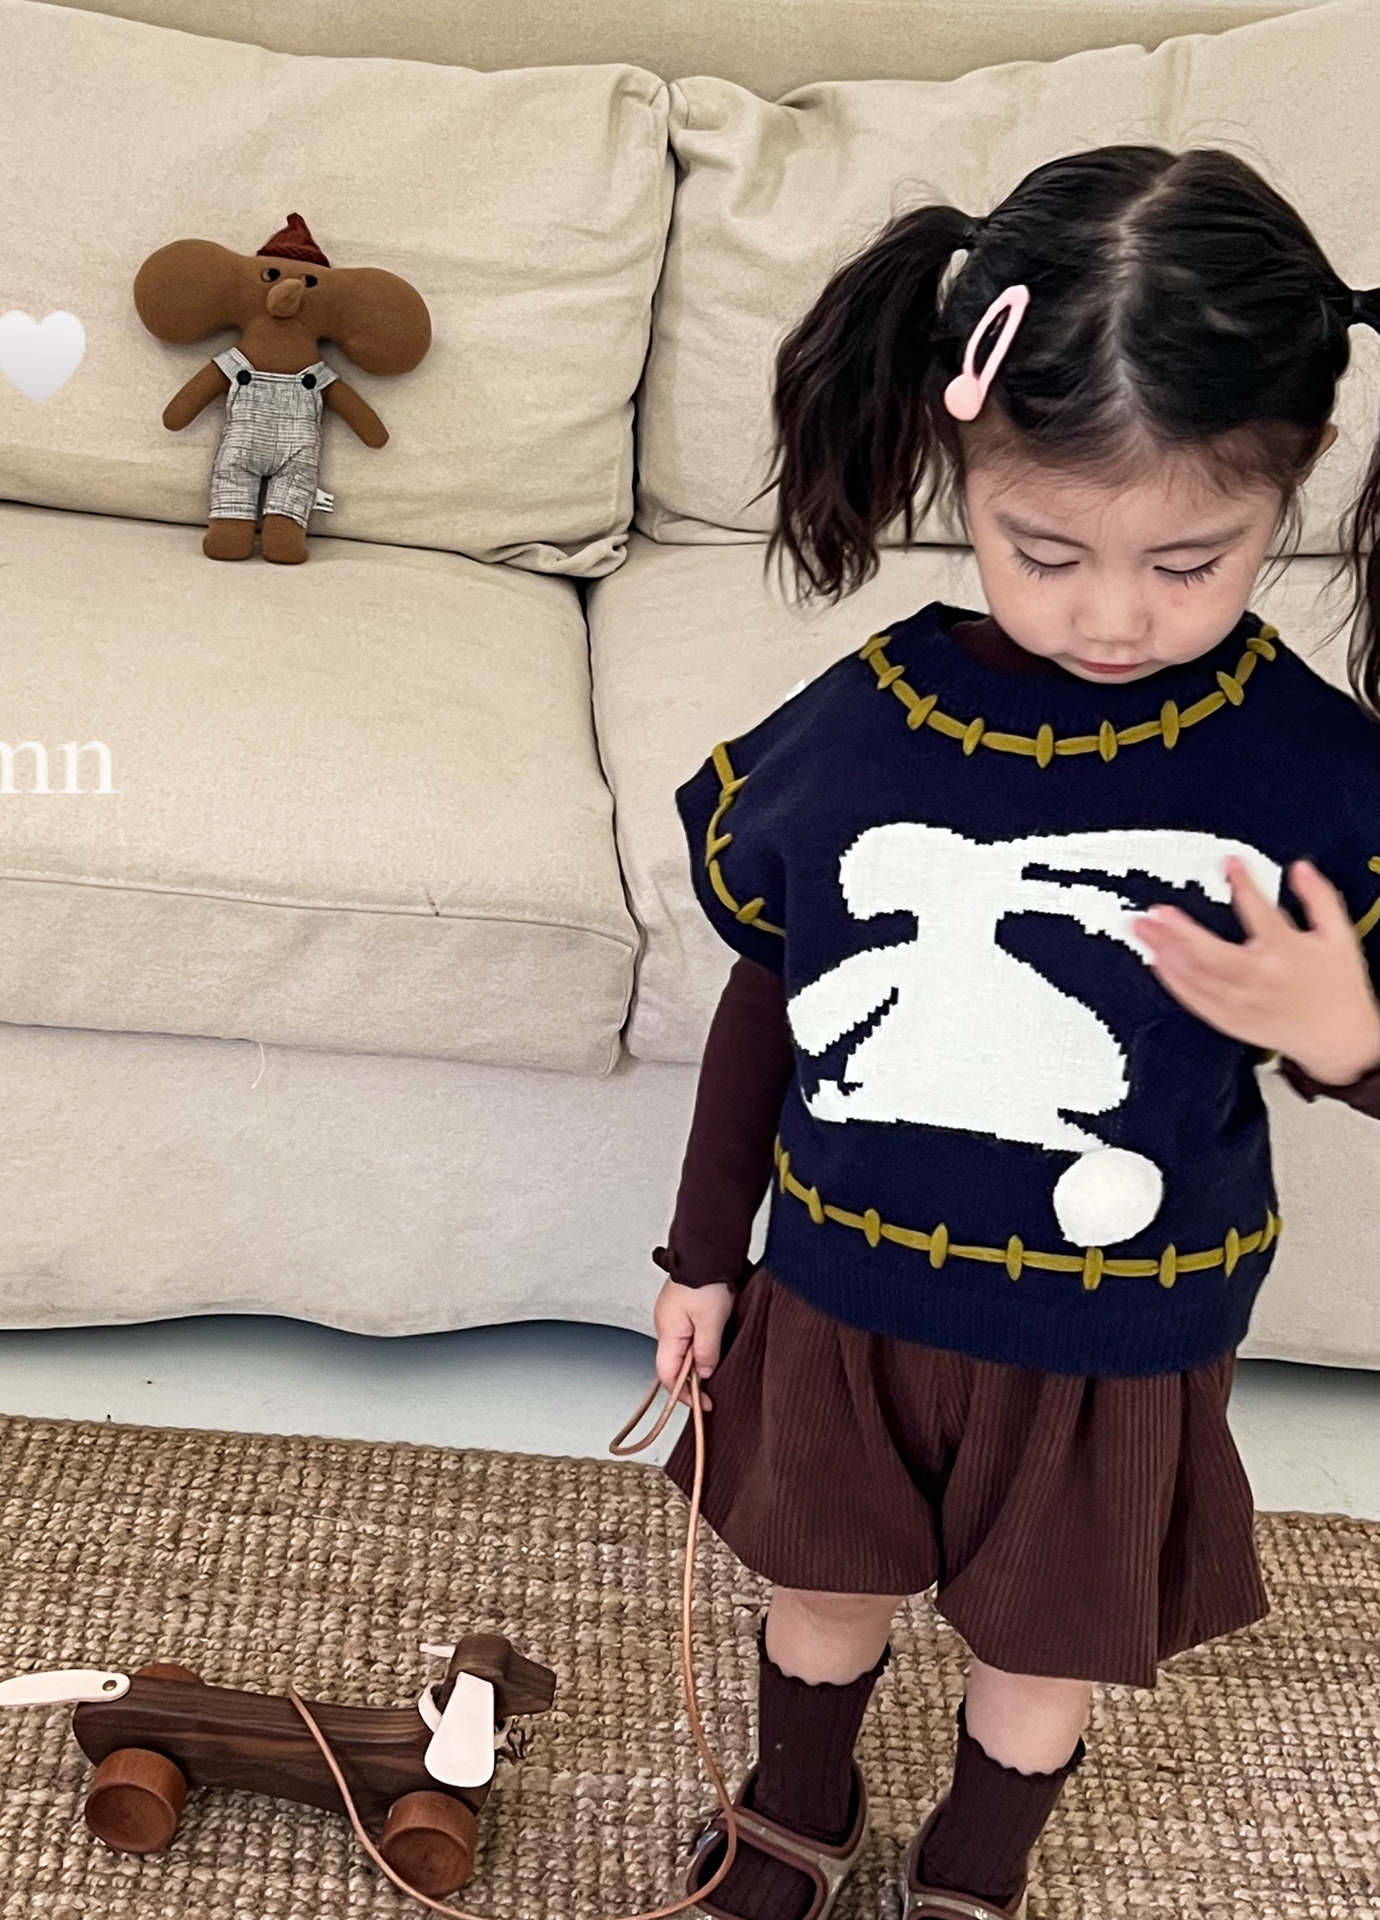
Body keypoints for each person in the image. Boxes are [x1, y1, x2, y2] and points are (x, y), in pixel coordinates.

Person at [649, 144, 1380, 1920]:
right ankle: (795, 1813)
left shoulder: (1314, 773)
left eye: (1193, 561)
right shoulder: (872, 715)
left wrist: (1345, 1035)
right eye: (1041, 550)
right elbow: (772, 990)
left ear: (1288, 489)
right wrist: (702, 1257)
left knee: (1045, 1640)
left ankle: (975, 1868)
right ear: (956, 467)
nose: (1111, 616)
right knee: (818, 1586)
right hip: (843, 1295)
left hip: (1116, 1333)